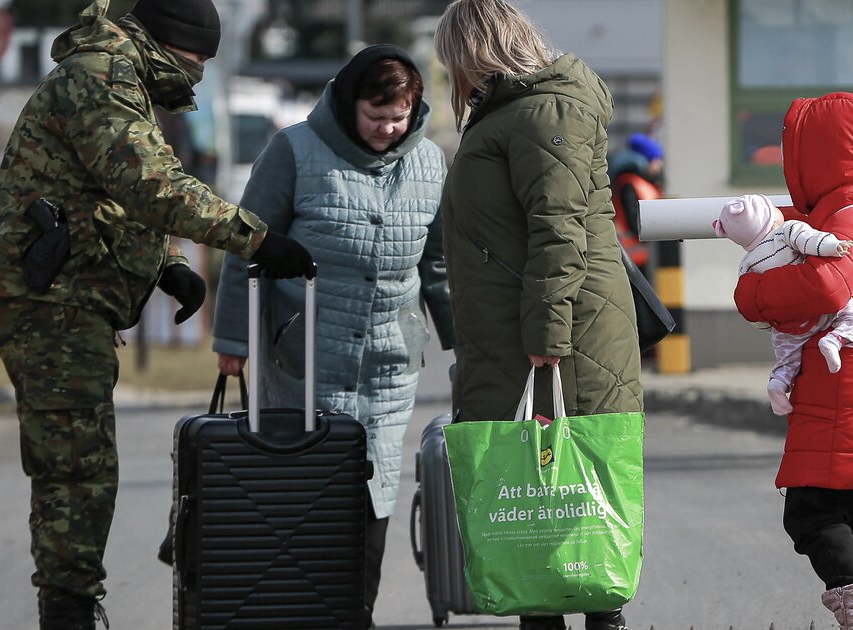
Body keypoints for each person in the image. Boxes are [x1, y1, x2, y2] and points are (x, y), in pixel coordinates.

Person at [0, 0, 313, 627]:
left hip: (67, 298)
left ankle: (69, 603)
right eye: (198, 59)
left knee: (81, 464)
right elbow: (147, 184)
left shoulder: (119, 73)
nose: (200, 73)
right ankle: (67, 612)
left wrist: (164, 264)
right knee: (76, 470)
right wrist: (256, 238)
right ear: (169, 44)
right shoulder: (100, 74)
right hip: (48, 301)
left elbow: (109, 194)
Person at [210, 44, 455, 629]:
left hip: (389, 361)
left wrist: (460, 344)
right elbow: (245, 247)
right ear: (350, 103)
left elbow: (438, 265)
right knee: (308, 493)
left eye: (399, 118)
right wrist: (233, 343)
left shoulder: (429, 163)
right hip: (304, 356)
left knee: (377, 491)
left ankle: (356, 615)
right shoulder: (293, 150)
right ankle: (301, 610)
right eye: (376, 115)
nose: (387, 129)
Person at [433, 1, 643, 629]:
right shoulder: (518, 110)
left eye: (453, 60)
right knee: (537, 506)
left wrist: (546, 336)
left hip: (557, 336)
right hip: (526, 330)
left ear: (476, 51)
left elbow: (559, 229)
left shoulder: (543, 111)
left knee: (573, 504)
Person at [731, 92, 853, 630]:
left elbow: (828, 282)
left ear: (812, 155)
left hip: (852, 384)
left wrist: (752, 293)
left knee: (811, 513)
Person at [713, 192, 853, 415]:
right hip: (820, 312)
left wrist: (774, 327)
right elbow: (811, 242)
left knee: (787, 360)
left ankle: (777, 386)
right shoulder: (785, 231)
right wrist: (834, 245)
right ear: (770, 220)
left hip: (788, 326)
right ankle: (835, 340)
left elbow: (756, 309)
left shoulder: (746, 264)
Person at [608, 133, 665, 272]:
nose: (659, 165)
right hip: (630, 256)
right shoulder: (629, 183)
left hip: (637, 254)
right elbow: (633, 219)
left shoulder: (638, 182)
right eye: (655, 159)